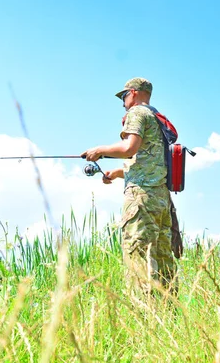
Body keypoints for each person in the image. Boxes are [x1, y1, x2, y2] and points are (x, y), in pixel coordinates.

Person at [82, 77, 177, 298]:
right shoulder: (157, 118)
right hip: (161, 199)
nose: (123, 101)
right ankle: (170, 314)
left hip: (141, 198)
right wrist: (116, 173)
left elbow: (129, 148)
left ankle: (142, 315)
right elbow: (149, 162)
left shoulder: (137, 113)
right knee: (163, 260)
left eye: (124, 96)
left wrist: (100, 150)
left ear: (133, 93)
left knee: (137, 255)